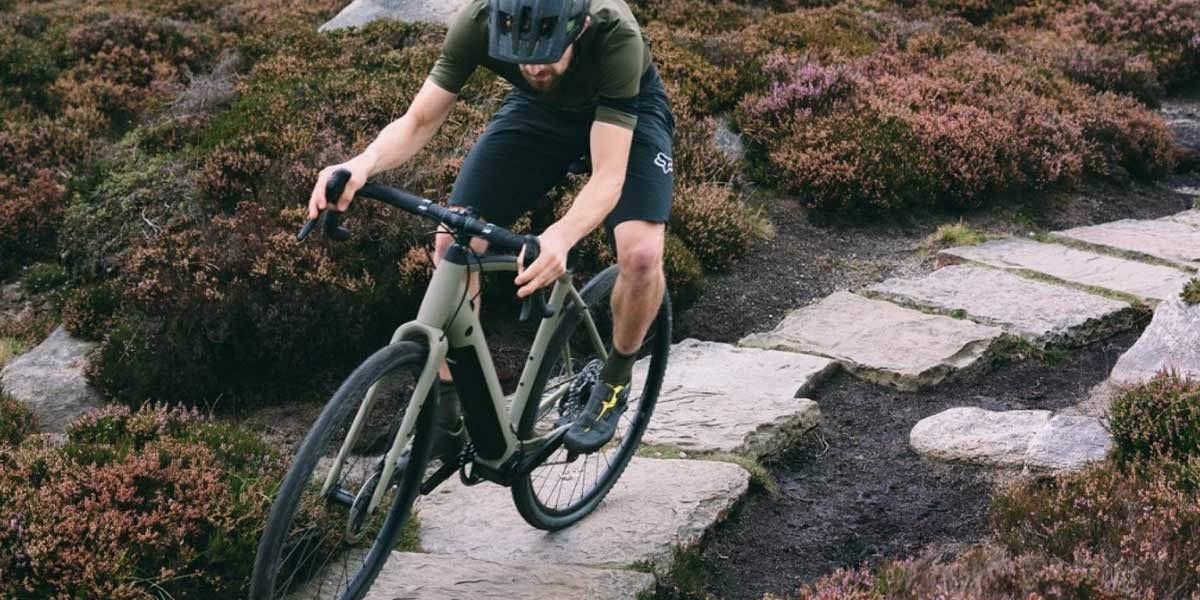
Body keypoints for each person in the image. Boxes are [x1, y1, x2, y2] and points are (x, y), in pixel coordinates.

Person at [306, 0, 673, 454]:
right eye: (522, 54)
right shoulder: (481, 19)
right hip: (537, 113)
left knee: (641, 255)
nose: (534, 67)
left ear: (579, 29)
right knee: (453, 243)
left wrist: (561, 235)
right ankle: (449, 414)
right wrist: (363, 163)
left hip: (626, 113)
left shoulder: (616, 35)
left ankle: (615, 378)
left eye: (547, 53)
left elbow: (609, 177)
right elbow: (419, 119)